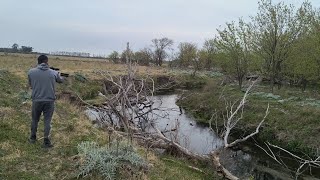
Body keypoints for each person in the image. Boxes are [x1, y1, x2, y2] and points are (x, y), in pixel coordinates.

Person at [28, 55, 63, 148]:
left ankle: (32, 138)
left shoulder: (31, 72)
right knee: (47, 121)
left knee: (35, 119)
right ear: (47, 62)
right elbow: (61, 80)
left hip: (36, 100)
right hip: (49, 101)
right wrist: (58, 74)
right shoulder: (53, 72)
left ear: (38, 62)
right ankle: (46, 142)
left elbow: (31, 84)